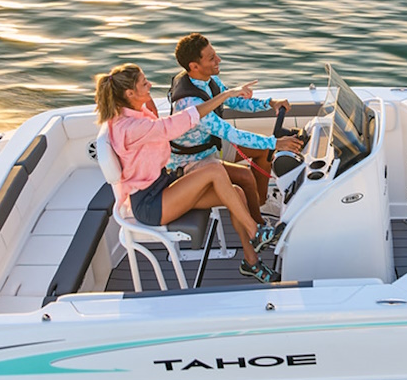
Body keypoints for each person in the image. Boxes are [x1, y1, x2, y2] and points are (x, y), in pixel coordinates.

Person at [95, 63, 281, 284]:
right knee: (214, 169)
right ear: (129, 94)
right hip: (150, 203)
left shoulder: (132, 114)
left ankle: (251, 262)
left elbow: (157, 122)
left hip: (163, 184)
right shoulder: (131, 128)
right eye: (144, 83)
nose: (150, 85)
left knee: (237, 193)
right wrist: (224, 96)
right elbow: (177, 123)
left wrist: (146, 101)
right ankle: (254, 232)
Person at [166, 33, 303, 223]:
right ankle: (258, 224)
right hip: (191, 161)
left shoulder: (209, 80)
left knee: (264, 151)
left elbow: (235, 102)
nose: (219, 60)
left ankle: (261, 204)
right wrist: (276, 143)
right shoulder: (190, 104)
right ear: (194, 66)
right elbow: (232, 134)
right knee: (245, 175)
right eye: (211, 58)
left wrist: (270, 103)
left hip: (212, 146)